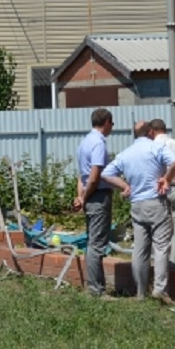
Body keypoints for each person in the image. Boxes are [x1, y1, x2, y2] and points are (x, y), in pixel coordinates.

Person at [102, 121, 175, 302]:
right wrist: (166, 178)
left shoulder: (126, 153)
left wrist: (124, 186)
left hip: (137, 205)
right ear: (151, 132)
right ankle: (159, 290)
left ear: (134, 134)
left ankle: (140, 292)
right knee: (161, 247)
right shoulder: (156, 147)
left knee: (140, 249)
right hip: (156, 202)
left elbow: (106, 173)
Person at [73, 108, 114, 297]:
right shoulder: (98, 143)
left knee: (92, 241)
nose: (112, 127)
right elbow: (94, 175)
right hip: (97, 196)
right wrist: (85, 196)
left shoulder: (84, 142)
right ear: (106, 122)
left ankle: (96, 286)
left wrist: (80, 197)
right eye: (111, 123)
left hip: (90, 196)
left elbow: (81, 176)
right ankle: (96, 290)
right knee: (97, 244)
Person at [149, 119, 175, 268]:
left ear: (152, 131)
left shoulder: (152, 146)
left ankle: (158, 260)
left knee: (158, 226)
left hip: (158, 188)